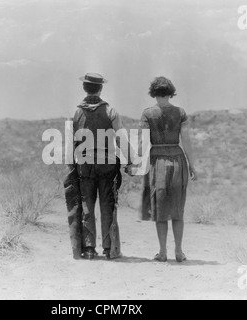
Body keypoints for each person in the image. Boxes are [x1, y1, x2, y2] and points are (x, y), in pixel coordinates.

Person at [68, 73, 135, 260]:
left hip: (84, 165)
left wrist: (71, 165)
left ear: (84, 88)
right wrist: (130, 161)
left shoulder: (75, 113)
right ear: (101, 88)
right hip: (107, 165)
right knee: (108, 206)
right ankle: (109, 248)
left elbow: (69, 143)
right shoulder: (111, 112)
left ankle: (88, 249)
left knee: (86, 206)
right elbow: (121, 138)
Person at [137, 76, 197, 263]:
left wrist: (135, 162)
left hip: (157, 162)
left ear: (154, 93)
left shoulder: (148, 113)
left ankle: (162, 252)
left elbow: (143, 143)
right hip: (178, 161)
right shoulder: (180, 112)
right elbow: (186, 140)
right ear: (171, 92)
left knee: (160, 209)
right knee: (178, 210)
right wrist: (192, 164)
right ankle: (179, 252)